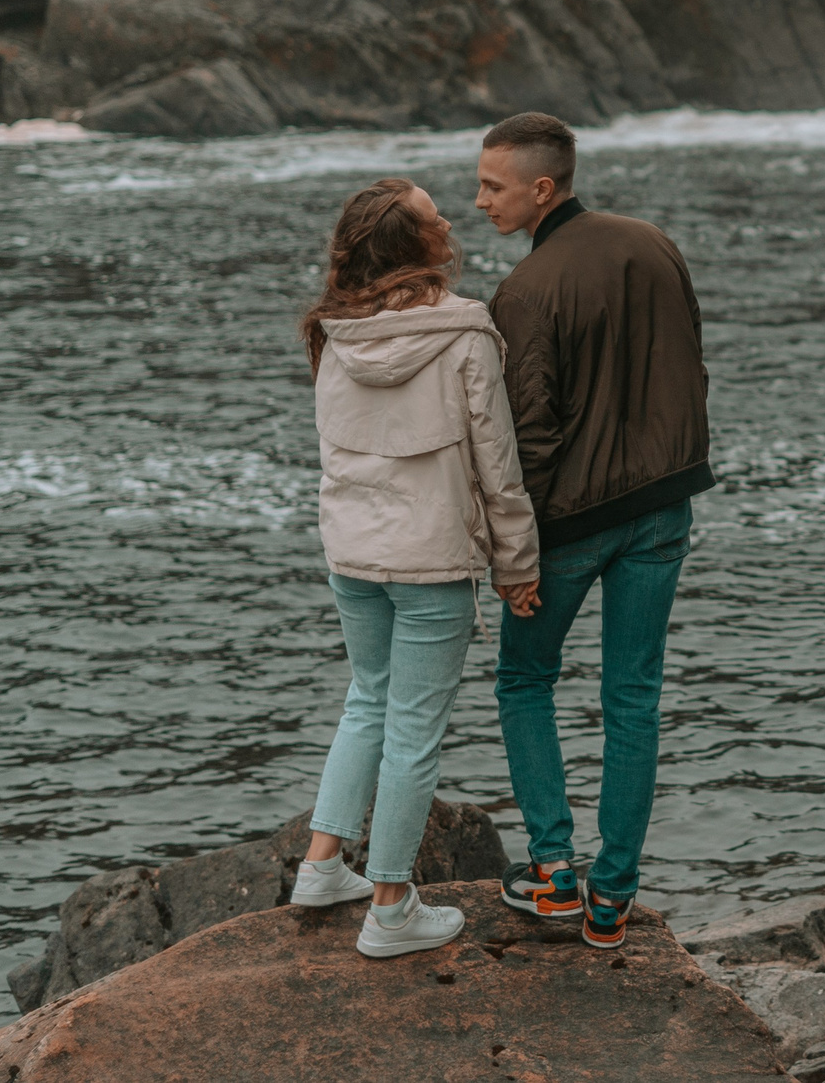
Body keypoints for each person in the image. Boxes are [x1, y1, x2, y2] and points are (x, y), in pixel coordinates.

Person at [474, 112, 713, 950]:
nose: (479, 202)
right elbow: (693, 365)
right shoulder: (654, 243)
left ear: (543, 188)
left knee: (522, 682)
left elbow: (528, 437)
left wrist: (517, 554)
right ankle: (611, 899)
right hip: (663, 508)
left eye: (492, 187)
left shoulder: (525, 291)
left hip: (570, 524)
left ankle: (552, 874)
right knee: (633, 699)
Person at [289, 177, 539, 958]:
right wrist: (517, 562)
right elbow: (497, 464)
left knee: (367, 700)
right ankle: (392, 906)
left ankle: (322, 867)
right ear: (420, 244)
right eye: (437, 215)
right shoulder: (464, 334)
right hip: (428, 558)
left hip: (352, 551)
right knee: (413, 732)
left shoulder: (334, 335)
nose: (451, 218)